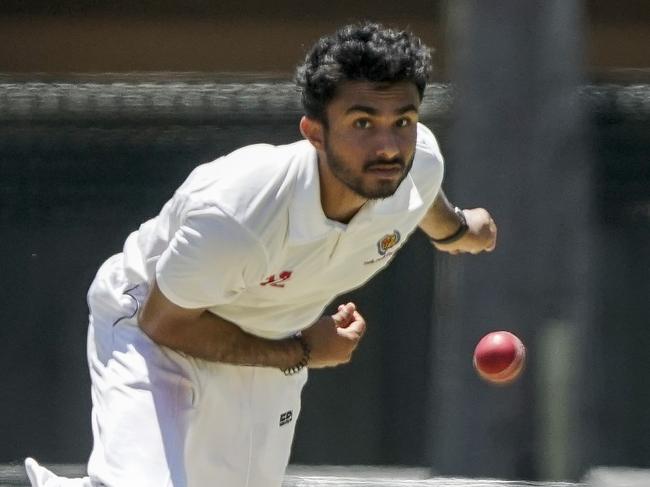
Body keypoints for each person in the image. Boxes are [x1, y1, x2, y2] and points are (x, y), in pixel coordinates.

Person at [25, 22, 497, 487]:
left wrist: (456, 231)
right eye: (362, 123)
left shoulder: (418, 161)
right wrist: (303, 349)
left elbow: (421, 193)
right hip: (153, 324)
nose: (389, 146)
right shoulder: (238, 214)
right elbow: (165, 322)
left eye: (404, 121)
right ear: (314, 132)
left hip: (266, 339)